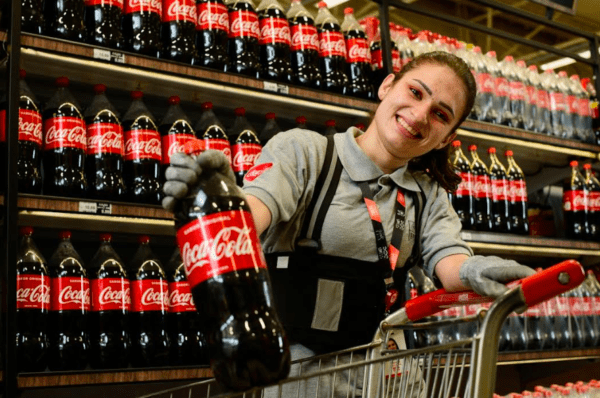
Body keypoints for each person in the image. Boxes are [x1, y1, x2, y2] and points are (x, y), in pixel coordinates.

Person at [162, 51, 534, 393]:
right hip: (309, 378)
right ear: (387, 86)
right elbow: (254, 214)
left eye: (441, 114)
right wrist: (219, 200)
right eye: (416, 92)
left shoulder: (428, 195)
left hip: (393, 376)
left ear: (446, 139)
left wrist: (474, 269)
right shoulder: (306, 153)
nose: (421, 115)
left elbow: (448, 260)